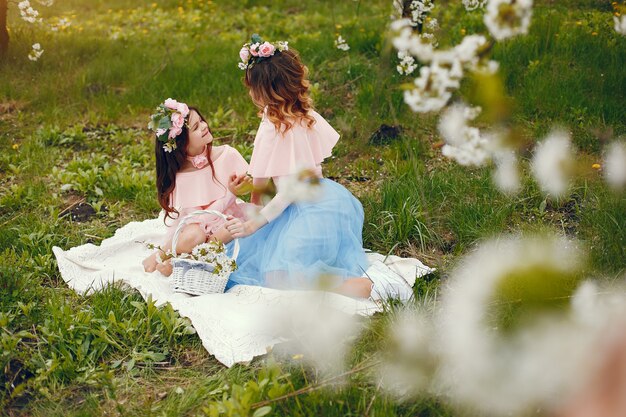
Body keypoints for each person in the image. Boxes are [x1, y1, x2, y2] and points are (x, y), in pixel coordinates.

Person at [224, 35, 398, 299]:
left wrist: (255, 222)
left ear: (266, 92)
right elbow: (276, 178)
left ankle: (370, 288)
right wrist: (256, 204)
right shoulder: (302, 115)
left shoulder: (274, 127)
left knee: (279, 276)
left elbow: (289, 187)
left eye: (252, 88)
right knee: (271, 262)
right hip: (325, 201)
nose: (249, 94)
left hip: (307, 209)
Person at [142, 98, 252, 276]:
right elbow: (198, 218)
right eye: (195, 127)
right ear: (182, 144)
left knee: (230, 228)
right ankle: (161, 253)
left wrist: (244, 188)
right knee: (195, 235)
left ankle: (188, 260)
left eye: (201, 120)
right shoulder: (182, 175)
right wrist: (230, 194)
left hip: (225, 220)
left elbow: (253, 185)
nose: (203, 126)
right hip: (196, 225)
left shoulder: (227, 154)